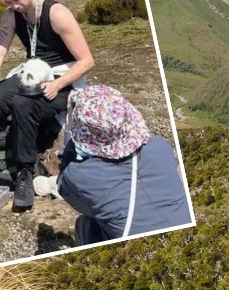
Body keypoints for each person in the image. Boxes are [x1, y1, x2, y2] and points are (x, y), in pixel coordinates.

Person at [0, 0, 95, 211]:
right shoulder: (11, 16)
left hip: (63, 76)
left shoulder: (57, 13)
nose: (14, 6)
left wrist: (57, 85)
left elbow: (87, 61)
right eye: (8, 3)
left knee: (23, 104)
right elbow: (0, 50)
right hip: (33, 71)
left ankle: (25, 173)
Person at [56, 85, 193, 244]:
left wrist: (70, 129)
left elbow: (63, 185)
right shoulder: (160, 147)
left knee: (85, 224)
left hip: (138, 252)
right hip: (186, 238)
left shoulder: (81, 175)